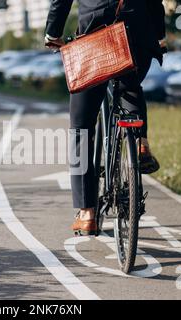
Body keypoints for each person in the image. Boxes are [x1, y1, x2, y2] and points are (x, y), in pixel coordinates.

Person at [44, 0, 166, 235]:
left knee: (80, 128)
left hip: (95, 36)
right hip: (138, 33)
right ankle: (140, 143)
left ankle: (87, 213)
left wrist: (53, 32)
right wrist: (159, 36)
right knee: (130, 86)